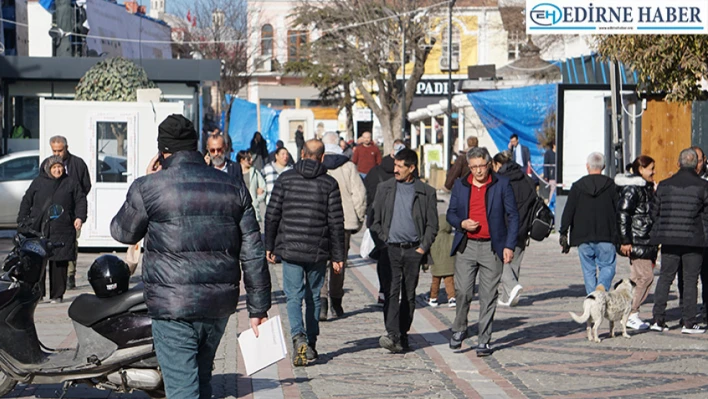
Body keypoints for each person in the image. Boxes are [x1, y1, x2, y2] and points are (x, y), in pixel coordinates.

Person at [110, 114, 271, 398]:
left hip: (172, 307)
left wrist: (148, 178)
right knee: (201, 379)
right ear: (196, 146)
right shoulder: (232, 186)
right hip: (218, 305)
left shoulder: (149, 187)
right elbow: (253, 252)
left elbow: (123, 233)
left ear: (163, 151)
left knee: (184, 389)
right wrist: (258, 309)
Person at [265, 139, 345, 366]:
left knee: (293, 296)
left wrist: (269, 245)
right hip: (318, 251)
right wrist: (338, 257)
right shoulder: (329, 183)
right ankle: (311, 343)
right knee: (313, 296)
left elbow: (272, 214)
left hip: (290, 249)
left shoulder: (285, 179)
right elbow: (336, 223)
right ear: (322, 157)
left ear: (301, 154)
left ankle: (297, 335)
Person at [446, 147, 518, 356]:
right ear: (468, 167)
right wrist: (461, 223)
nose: (478, 171)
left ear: (489, 164)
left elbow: (513, 216)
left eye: (482, 166)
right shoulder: (460, 186)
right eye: (474, 167)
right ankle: (459, 328)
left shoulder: (501, 184)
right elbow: (450, 213)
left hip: (491, 247)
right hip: (466, 246)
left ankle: (484, 340)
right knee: (463, 292)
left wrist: (509, 245)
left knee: (488, 295)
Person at [370, 148, 438, 353]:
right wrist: (383, 241)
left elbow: (432, 225)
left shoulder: (426, 192)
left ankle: (403, 333)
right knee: (390, 292)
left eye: (400, 166)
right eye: (395, 165)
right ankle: (392, 334)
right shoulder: (385, 188)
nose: (395, 169)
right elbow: (375, 221)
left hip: (412, 251)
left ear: (412, 168)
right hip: (390, 249)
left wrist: (422, 248)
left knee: (408, 294)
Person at [649, 148, 708, 334]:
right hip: (693, 239)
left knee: (666, 277)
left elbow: (654, 213)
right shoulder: (703, 186)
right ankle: (689, 322)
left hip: (669, 238)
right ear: (697, 165)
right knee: (690, 280)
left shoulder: (665, 185)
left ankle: (658, 319)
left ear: (678, 163)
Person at [18, 155, 87, 303]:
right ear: (48, 169)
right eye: (54, 167)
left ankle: (57, 295)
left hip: (62, 227)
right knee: (37, 261)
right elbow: (26, 200)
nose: (58, 170)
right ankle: (38, 293)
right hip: (39, 227)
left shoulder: (71, 183)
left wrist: (79, 217)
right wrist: (22, 220)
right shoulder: (38, 182)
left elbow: (80, 200)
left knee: (59, 261)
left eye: (60, 167)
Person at [319, 132, 367, 320]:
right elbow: (359, 194)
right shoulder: (348, 166)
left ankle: (321, 303)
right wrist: (358, 218)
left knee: (321, 263)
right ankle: (336, 302)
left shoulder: (319, 165)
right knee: (339, 263)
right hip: (344, 222)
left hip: (321, 221)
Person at [559, 152, 618, 295]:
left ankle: (593, 300)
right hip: (607, 235)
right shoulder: (611, 186)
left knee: (588, 270)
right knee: (608, 266)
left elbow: (568, 211)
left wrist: (563, 232)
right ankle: (602, 286)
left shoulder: (578, 186)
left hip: (583, 236)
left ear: (587, 166)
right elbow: (619, 211)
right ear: (603, 167)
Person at [41, 135, 91, 291]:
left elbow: (86, 186)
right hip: (52, 213)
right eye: (54, 150)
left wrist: (77, 205)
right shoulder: (47, 164)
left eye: (60, 150)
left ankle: (70, 275)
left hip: (72, 212)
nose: (57, 154)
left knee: (71, 244)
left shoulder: (77, 164)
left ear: (66, 148)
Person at [615, 155, 658, 331]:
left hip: (646, 239)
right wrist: (625, 241)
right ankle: (631, 312)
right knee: (646, 277)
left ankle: (623, 308)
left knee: (635, 278)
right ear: (641, 170)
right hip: (637, 240)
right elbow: (623, 215)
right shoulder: (632, 189)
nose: (654, 172)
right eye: (651, 168)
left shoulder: (646, 188)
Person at [492, 151, 537, 307]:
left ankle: (512, 287)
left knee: (500, 260)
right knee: (515, 261)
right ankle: (508, 297)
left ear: (498, 164)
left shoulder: (500, 180)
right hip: (524, 226)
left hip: (505, 226)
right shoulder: (526, 179)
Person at [364, 140, 405, 305]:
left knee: (384, 257)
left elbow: (366, 196)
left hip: (378, 221)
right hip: (400, 220)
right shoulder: (407, 173)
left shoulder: (374, 172)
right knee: (400, 258)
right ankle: (397, 290)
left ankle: (384, 291)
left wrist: (368, 217)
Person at [427, 215, 456, 307]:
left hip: (436, 266)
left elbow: (428, 252)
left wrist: (425, 265)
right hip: (449, 265)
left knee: (435, 283)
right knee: (449, 282)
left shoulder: (433, 238)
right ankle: (452, 298)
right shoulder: (451, 238)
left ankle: (433, 299)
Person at [237, 150, 267, 222]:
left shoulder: (255, 172)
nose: (251, 160)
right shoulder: (236, 172)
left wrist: (257, 199)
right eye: (248, 159)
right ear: (242, 160)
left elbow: (263, 187)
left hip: (253, 206)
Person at [543, 143, 557, 208]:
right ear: (553, 145)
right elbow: (546, 164)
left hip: (559, 176)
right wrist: (546, 175)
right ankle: (550, 204)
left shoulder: (559, 153)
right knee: (552, 189)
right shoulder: (548, 153)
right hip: (552, 176)